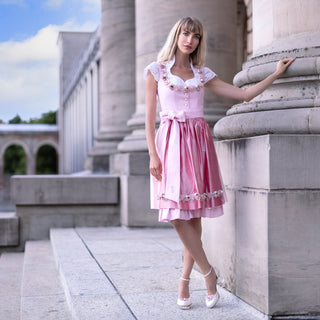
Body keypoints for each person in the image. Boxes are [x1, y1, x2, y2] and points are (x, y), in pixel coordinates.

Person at [144, 17, 294, 310]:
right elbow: (150, 119)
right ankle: (209, 274)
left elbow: (243, 94)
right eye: (186, 33)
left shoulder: (202, 74)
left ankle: (184, 284)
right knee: (176, 214)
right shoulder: (156, 71)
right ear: (176, 35)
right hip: (170, 144)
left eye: (196, 36)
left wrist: (275, 73)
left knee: (194, 214)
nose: (190, 40)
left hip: (198, 145)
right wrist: (152, 153)